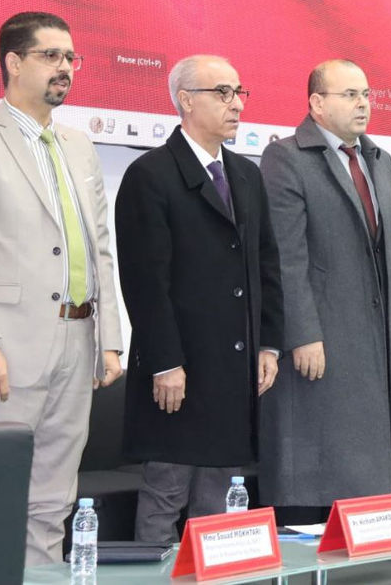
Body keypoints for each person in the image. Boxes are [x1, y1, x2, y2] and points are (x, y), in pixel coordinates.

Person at [0, 11, 123, 565]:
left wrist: (110, 339)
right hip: (5, 349)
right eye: (51, 56)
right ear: (14, 63)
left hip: (78, 341)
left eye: (71, 57)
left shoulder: (79, 145)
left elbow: (99, 248)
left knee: (52, 500)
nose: (65, 67)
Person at [115, 55, 284, 542]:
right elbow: (145, 283)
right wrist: (165, 362)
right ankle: (153, 573)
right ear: (186, 100)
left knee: (220, 494)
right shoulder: (151, 174)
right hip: (180, 366)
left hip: (233, 366)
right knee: (167, 490)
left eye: (239, 92)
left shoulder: (246, 175)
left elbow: (267, 265)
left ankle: (212, 573)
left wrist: (269, 344)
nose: (237, 105)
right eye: (222, 93)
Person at [258, 60, 391, 524]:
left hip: (380, 334)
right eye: (350, 95)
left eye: (366, 94)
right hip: (325, 333)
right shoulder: (287, 157)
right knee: (326, 456)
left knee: (378, 465)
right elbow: (286, 256)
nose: (363, 103)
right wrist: (302, 333)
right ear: (317, 103)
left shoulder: (378, 160)